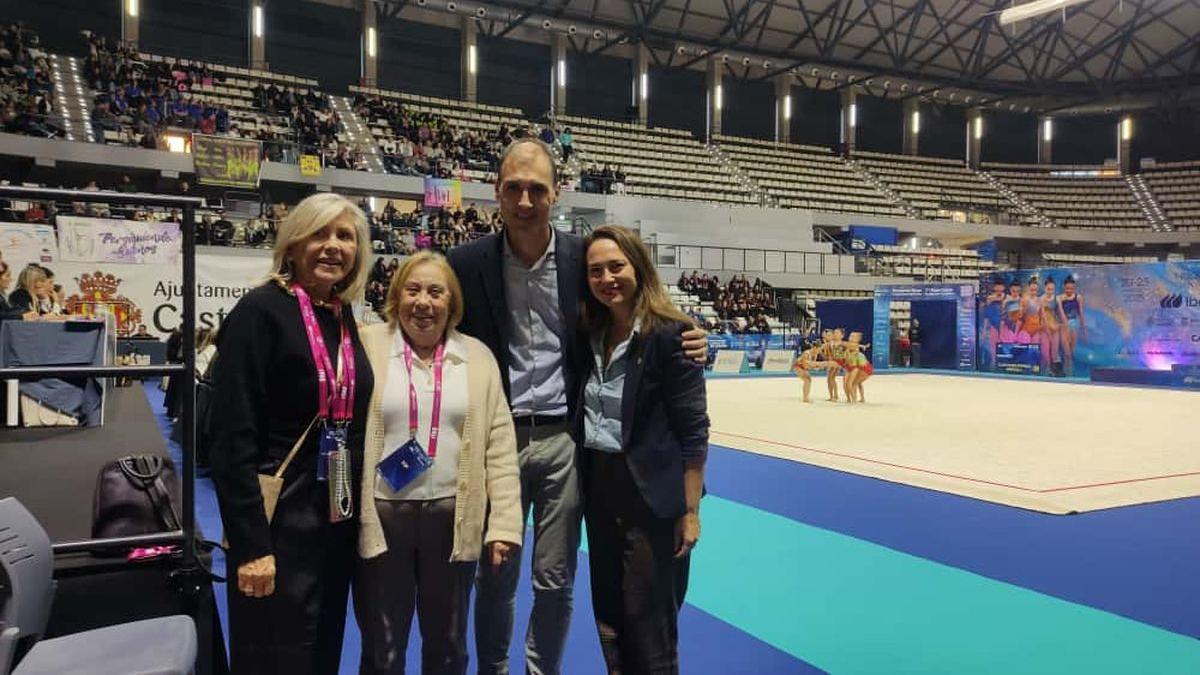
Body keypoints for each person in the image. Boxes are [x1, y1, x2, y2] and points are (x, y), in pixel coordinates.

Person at [447, 137, 707, 675]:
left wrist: (697, 339)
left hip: (567, 440)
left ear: (556, 193)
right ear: (496, 192)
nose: (524, 200)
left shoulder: (581, 259)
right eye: (514, 188)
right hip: (497, 440)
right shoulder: (466, 264)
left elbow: (636, 307)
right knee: (493, 574)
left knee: (556, 578)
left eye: (536, 189)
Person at [208, 193, 375, 674]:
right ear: (293, 244)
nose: (332, 246)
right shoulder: (260, 312)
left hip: (333, 516)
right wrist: (251, 545)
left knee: (321, 649)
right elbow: (230, 438)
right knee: (274, 655)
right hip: (278, 522)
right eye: (319, 234)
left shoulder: (343, 318)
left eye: (345, 236)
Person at [354, 252, 523, 674]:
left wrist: (503, 524)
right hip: (381, 518)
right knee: (383, 644)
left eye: (435, 291)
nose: (423, 302)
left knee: (448, 645)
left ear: (452, 302)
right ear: (396, 296)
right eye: (412, 290)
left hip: (453, 521)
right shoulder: (369, 344)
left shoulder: (478, 357)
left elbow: (500, 447)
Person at [576, 225, 708, 674]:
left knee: (650, 628)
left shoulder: (671, 335)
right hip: (600, 492)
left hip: (654, 500)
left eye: (616, 266)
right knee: (610, 617)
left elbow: (694, 432)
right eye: (596, 271)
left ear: (639, 267)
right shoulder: (589, 332)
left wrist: (689, 510)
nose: (607, 278)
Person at [1058, 276, 1085, 377]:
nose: (1069, 290)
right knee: (1067, 352)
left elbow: (1081, 313)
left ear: (1074, 288)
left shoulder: (1078, 297)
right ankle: (1066, 373)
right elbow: (1060, 313)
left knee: (1071, 351)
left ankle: (1070, 374)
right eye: (1067, 288)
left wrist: (1083, 327)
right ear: (1064, 288)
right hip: (1064, 325)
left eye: (1071, 288)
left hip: (1074, 324)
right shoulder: (1060, 298)